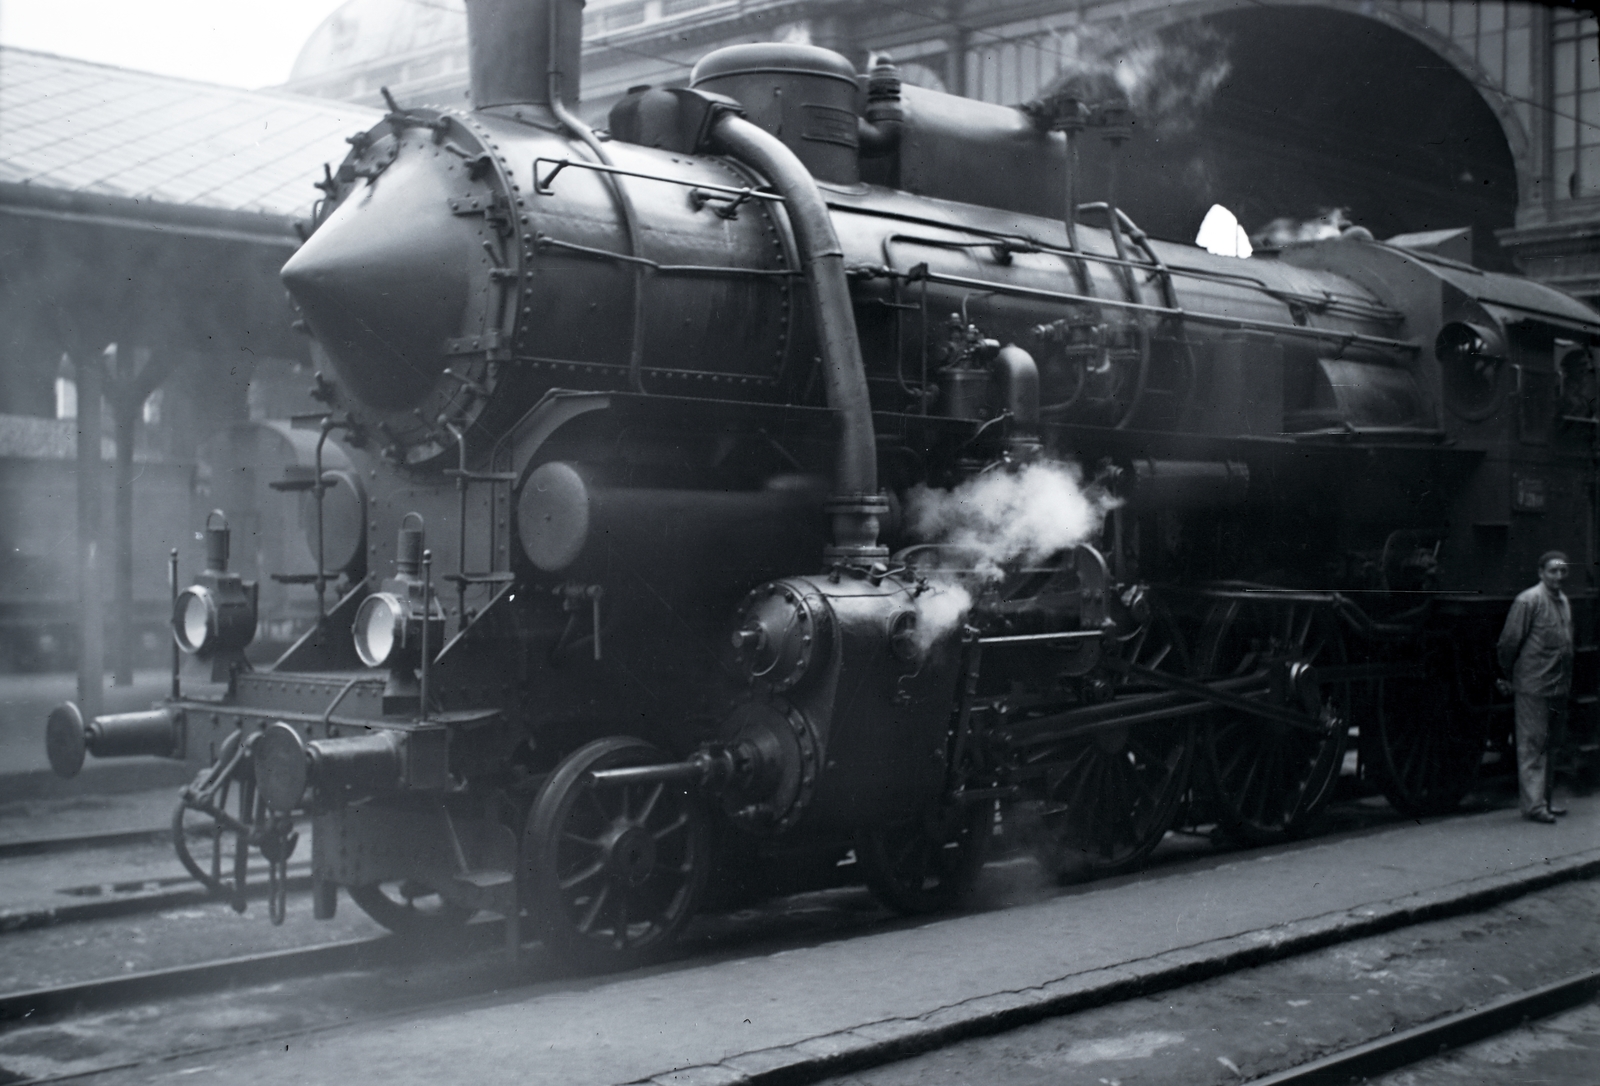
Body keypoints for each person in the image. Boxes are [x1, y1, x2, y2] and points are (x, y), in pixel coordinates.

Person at [1496, 551, 1575, 824]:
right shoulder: (1528, 600)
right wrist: (1507, 673)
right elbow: (1509, 641)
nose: (1558, 576)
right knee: (1533, 745)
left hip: (1557, 684)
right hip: (1533, 684)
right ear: (1541, 572)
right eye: (1553, 571)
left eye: (1563, 571)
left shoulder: (1563, 601)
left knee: (1551, 745)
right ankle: (1534, 807)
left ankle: (1545, 802)